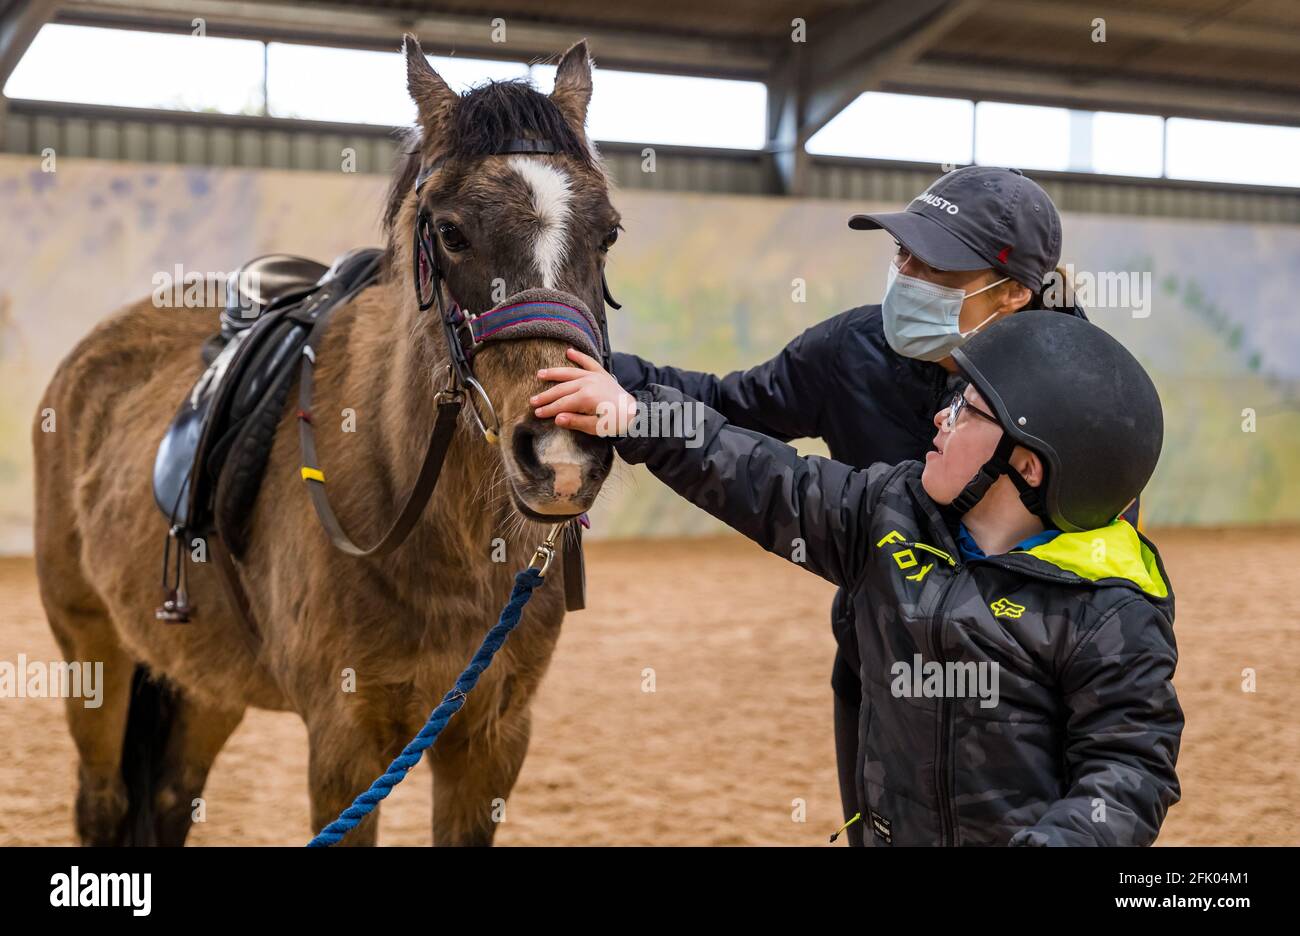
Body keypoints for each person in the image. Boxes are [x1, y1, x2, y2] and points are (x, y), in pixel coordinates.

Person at [610, 165, 1133, 844]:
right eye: (903, 254)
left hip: (1027, 686)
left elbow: (1105, 584)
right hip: (882, 667)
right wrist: (592, 364)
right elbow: (726, 406)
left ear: (1010, 294)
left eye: (936, 265)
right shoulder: (848, 351)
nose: (907, 274)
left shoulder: (1085, 397)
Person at [532, 310, 1182, 845]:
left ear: (1028, 468)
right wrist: (638, 415)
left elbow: (1128, 772)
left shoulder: (1110, 610)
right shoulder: (888, 514)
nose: (940, 418)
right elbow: (759, 474)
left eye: (969, 412)